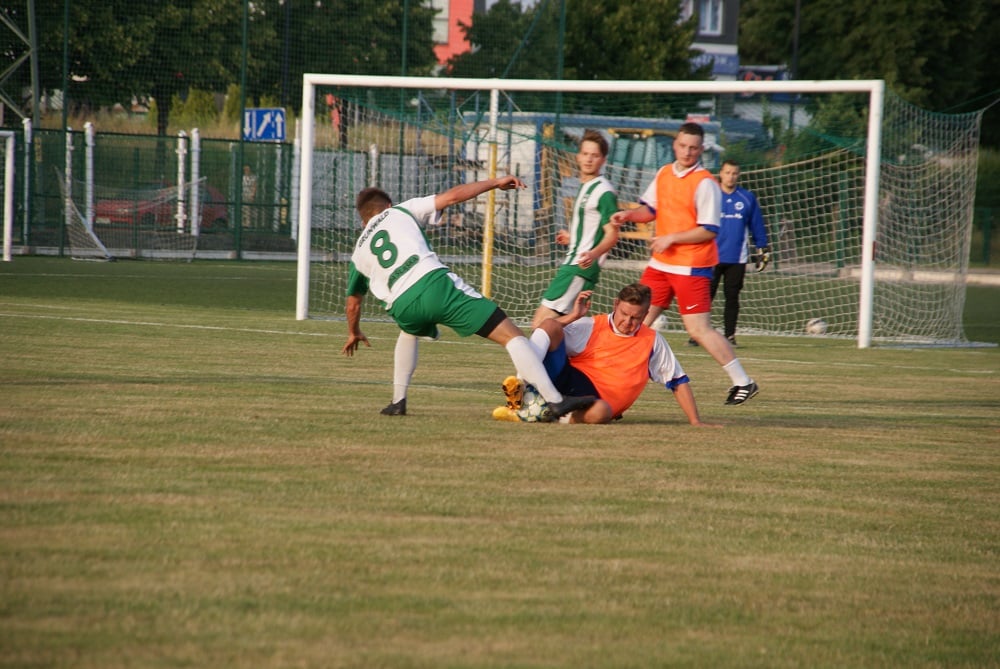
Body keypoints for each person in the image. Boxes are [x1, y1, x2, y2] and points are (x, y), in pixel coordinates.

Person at [342, 177, 596, 420]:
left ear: (364, 222)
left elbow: (353, 302)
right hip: (433, 285)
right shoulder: (400, 210)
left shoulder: (359, 251)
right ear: (388, 205)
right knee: (512, 336)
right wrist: (495, 183)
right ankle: (556, 400)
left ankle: (398, 401)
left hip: (402, 306)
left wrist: (353, 332)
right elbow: (452, 197)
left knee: (408, 332)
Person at [609, 122, 759, 406]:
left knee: (698, 330)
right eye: (683, 146)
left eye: (693, 147)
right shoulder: (664, 173)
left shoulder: (704, 182)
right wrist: (627, 216)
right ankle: (612, 377)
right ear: (675, 145)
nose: (687, 152)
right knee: (633, 320)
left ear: (701, 149)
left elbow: (709, 229)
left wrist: (671, 239)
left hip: (692, 266)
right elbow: (650, 210)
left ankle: (743, 381)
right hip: (660, 265)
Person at [496, 284, 718, 426]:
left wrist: (695, 421)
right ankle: (519, 389)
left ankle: (543, 412)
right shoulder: (592, 325)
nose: (628, 322)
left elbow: (677, 380)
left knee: (602, 412)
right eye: (624, 314)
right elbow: (544, 332)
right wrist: (573, 315)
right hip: (564, 381)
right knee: (550, 325)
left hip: (595, 402)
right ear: (615, 305)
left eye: (636, 318)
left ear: (646, 314)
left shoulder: (652, 340)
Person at [532, 129, 620, 329]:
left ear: (603, 160)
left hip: (579, 267)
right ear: (578, 156)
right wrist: (573, 238)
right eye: (586, 154)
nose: (589, 159)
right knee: (561, 327)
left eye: (595, 155)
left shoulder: (603, 191)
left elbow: (613, 235)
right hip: (575, 262)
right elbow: (592, 231)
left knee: (542, 324)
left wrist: (593, 253)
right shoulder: (586, 186)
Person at [689, 159, 770, 348]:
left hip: (737, 258)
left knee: (732, 297)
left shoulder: (747, 198)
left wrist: (762, 246)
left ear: (738, 175)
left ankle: (730, 335)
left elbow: (756, 225)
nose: (730, 176)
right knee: (705, 296)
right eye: (727, 172)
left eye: (734, 173)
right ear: (721, 173)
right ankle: (698, 333)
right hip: (710, 255)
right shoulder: (712, 195)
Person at [241, 164, 258, 229]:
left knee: (248, 210)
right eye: (245, 169)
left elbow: (254, 186)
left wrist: (252, 195)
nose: (246, 171)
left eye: (247, 169)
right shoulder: (243, 177)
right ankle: (243, 224)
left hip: (249, 195)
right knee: (243, 210)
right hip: (243, 195)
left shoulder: (253, 177)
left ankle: (248, 225)